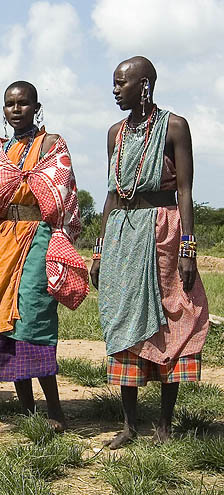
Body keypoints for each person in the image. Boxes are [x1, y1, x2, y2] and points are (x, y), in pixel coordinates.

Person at [91, 56, 209, 449]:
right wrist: (99, 250)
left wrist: (188, 249)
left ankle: (164, 424)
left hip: (164, 230)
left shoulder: (175, 126)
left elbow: (186, 191)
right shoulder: (115, 134)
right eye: (113, 83)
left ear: (144, 85)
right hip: (123, 235)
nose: (114, 90)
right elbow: (111, 193)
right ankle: (128, 424)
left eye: (121, 83)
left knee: (170, 319)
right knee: (124, 320)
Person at [0, 81, 88, 431]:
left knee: (33, 317)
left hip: (38, 238)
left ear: (37, 107)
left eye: (23, 103)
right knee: (6, 319)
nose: (16, 109)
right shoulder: (0, 150)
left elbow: (61, 192)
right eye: (9, 104)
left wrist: (28, 181)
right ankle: (27, 409)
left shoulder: (53, 145)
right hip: (0, 241)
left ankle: (55, 412)